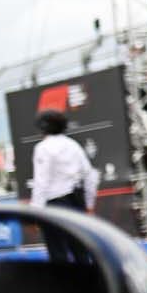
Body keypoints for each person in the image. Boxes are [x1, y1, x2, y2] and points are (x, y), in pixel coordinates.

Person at [29, 109, 97, 261]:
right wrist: (89, 205)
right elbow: (90, 175)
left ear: (43, 127)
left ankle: (64, 284)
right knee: (80, 251)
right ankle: (86, 283)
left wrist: (35, 212)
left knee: (58, 253)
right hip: (76, 203)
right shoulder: (73, 145)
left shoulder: (43, 148)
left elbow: (41, 182)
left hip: (55, 205)